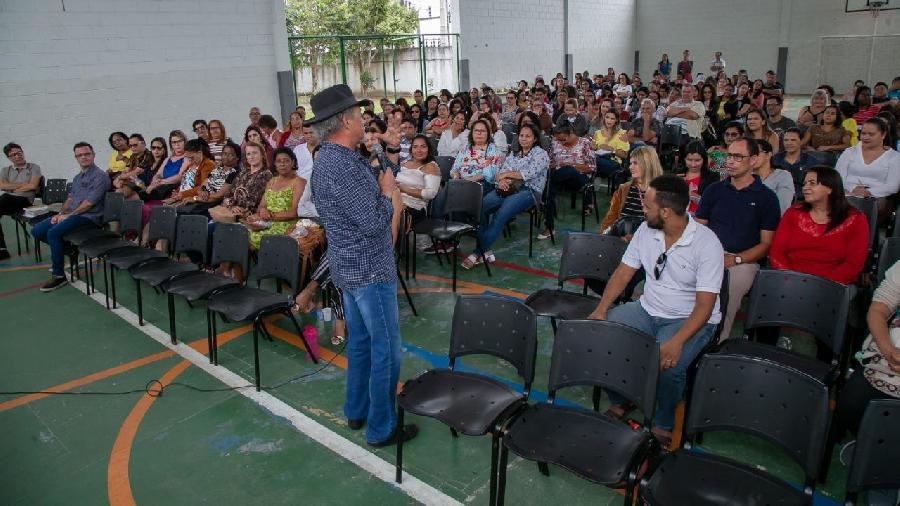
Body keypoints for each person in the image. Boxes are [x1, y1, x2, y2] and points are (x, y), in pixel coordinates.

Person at [308, 84, 416, 446]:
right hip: (370, 270)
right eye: (358, 116)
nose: (363, 120)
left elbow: (370, 183)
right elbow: (373, 221)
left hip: (347, 268)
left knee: (361, 344)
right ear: (343, 120)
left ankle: (356, 410)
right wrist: (388, 193)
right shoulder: (343, 167)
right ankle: (382, 427)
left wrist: (381, 158)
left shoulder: (330, 159)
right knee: (386, 348)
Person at [589, 174, 724, 448]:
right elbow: (623, 273)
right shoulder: (646, 231)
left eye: (647, 205)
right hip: (647, 309)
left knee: (669, 364)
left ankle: (663, 423)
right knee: (600, 338)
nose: (643, 208)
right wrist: (601, 310)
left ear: (665, 211)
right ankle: (620, 399)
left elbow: (705, 305)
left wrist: (677, 342)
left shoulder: (707, 244)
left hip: (690, 318)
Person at [695, 138, 781, 341]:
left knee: (729, 288)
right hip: (709, 253)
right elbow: (699, 228)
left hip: (744, 261)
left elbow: (766, 244)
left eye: (737, 157)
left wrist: (737, 259)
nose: (730, 161)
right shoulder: (714, 190)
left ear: (753, 160)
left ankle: (716, 340)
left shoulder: (767, 198)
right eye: (729, 156)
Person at [462, 123, 549, 269]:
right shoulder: (514, 153)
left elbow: (528, 174)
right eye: (521, 135)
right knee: (480, 207)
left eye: (528, 136)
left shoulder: (540, 154)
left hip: (529, 191)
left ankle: (477, 253)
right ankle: (486, 248)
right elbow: (499, 173)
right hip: (508, 188)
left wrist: (506, 174)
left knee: (502, 214)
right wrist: (501, 180)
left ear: (534, 139)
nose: (523, 139)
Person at [769, 166, 868, 285]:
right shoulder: (793, 213)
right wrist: (789, 279)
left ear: (830, 188)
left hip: (833, 285)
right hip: (790, 282)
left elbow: (853, 264)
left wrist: (822, 286)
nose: (805, 188)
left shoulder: (855, 219)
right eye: (804, 184)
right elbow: (777, 252)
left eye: (812, 183)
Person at [31, 142, 110, 292]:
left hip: (90, 218)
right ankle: (70, 251)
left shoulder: (100, 177)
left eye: (87, 154)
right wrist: (61, 214)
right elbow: (70, 199)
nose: (84, 157)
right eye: (80, 155)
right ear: (76, 158)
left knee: (53, 233)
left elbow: (88, 204)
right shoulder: (77, 178)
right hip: (73, 215)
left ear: (93, 155)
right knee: (37, 230)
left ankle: (59, 275)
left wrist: (68, 216)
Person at [836, 117, 900, 218]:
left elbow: (892, 186)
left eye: (871, 134)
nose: (865, 137)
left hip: (876, 196)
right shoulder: (849, 152)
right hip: (848, 191)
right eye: (863, 133)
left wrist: (868, 192)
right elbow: (838, 177)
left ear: (883, 135)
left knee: (867, 205)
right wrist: (853, 188)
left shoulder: (894, 157)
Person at [540, 123, 594, 239]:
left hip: (579, 179)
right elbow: (549, 163)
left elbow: (592, 167)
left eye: (563, 140)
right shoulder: (555, 143)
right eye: (558, 140)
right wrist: (555, 164)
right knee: (550, 187)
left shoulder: (585, 143)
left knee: (566, 171)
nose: (561, 143)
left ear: (571, 134)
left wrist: (571, 165)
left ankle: (541, 198)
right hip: (559, 177)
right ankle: (549, 227)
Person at [246, 148, 303, 250]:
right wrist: (263, 210)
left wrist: (270, 216)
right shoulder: (272, 181)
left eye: (286, 160)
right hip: (265, 223)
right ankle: (232, 266)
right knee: (238, 233)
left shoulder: (298, 182)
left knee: (250, 239)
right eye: (278, 161)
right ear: (275, 164)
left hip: (285, 225)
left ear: (293, 162)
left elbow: (295, 212)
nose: (282, 164)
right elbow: (261, 206)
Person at [600, 145, 663, 234]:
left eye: (635, 163)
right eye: (630, 163)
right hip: (621, 239)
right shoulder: (623, 189)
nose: (630, 167)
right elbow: (610, 218)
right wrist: (603, 236)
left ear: (648, 164)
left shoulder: (662, 192)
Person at [0, 143, 41, 260]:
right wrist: (23, 184)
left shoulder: (34, 167)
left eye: (19, 153)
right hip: (8, 198)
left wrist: (11, 187)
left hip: (25, 199)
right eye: (13, 154)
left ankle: (2, 250)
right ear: (9, 158)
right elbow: (2, 186)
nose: (18, 156)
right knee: (5, 198)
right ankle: (2, 249)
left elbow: (33, 185)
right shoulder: (5, 170)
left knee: (5, 198)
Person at [449, 118, 501, 194]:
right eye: (476, 130)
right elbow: (455, 168)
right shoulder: (466, 147)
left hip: (480, 184)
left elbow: (490, 175)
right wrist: (456, 176)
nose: (479, 133)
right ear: (472, 133)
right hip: (461, 182)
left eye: (482, 131)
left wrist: (469, 181)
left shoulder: (492, 149)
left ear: (488, 133)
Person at [164, 138, 216, 205]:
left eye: (191, 157)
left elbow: (203, 187)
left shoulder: (208, 165)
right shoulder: (191, 165)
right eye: (187, 157)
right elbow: (185, 183)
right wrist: (177, 191)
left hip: (193, 199)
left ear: (199, 153)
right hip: (182, 196)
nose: (189, 160)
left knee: (167, 211)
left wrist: (182, 194)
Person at [773, 127, 818, 200]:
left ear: (801, 141)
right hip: (778, 196)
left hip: (803, 199)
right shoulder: (775, 160)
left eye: (793, 140)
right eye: (786, 140)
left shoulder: (811, 161)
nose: (789, 143)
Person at [753, 140, 794, 214]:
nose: (752, 157)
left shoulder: (783, 176)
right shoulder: (744, 176)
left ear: (769, 155)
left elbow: (782, 207)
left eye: (756, 153)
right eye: (750, 154)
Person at [144, 130, 187, 201]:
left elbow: (180, 177)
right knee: (143, 193)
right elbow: (158, 174)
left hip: (174, 186)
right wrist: (153, 182)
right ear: (171, 144)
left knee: (154, 192)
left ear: (184, 142)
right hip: (162, 185)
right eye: (174, 142)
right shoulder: (168, 159)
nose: (177, 144)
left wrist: (159, 183)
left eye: (179, 141)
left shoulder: (187, 157)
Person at [681, 140, 719, 214]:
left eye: (697, 160)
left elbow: (714, 203)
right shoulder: (678, 174)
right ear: (684, 159)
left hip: (700, 219)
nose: (693, 164)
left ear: (704, 160)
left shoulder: (712, 177)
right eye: (689, 160)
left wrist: (695, 197)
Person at [594, 110, 630, 178]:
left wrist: (611, 149)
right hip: (598, 158)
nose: (609, 120)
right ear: (604, 118)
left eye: (612, 118)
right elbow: (593, 148)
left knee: (594, 161)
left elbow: (624, 155)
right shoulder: (597, 133)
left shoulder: (621, 134)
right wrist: (595, 148)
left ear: (616, 120)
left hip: (614, 162)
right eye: (607, 117)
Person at [293, 125, 318, 218]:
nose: (308, 136)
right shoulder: (298, 149)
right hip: (301, 183)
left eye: (311, 133)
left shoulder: (323, 148)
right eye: (306, 133)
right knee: (298, 208)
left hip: (318, 181)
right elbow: (293, 170)